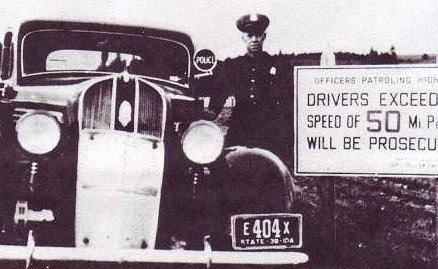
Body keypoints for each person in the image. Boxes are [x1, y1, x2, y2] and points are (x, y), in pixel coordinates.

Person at [208, 13, 294, 162]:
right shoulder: (233, 66)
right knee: (229, 168)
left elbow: (287, 101)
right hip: (240, 130)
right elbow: (219, 93)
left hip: (268, 133)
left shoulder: (277, 65)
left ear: (264, 37)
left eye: (258, 35)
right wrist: (209, 113)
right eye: (249, 35)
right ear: (243, 38)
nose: (254, 39)